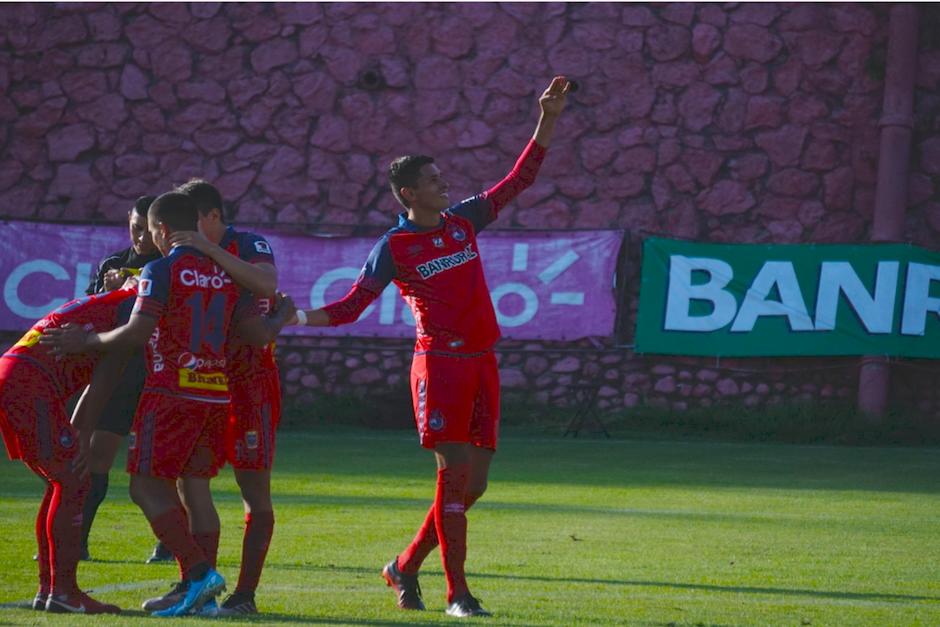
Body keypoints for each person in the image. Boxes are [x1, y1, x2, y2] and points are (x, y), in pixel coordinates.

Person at [289, 76, 570, 617]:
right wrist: (295, 316)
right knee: (454, 480)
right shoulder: (393, 246)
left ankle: (404, 565)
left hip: (482, 362)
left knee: (475, 486)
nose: (444, 186)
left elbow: (520, 179)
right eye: (433, 181)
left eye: (443, 178)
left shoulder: (463, 222)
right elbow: (350, 307)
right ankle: (457, 594)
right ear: (408, 194)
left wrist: (549, 118)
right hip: (439, 366)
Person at [41, 192, 295, 617]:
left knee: (144, 485)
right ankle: (202, 595)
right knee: (195, 487)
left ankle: (198, 574)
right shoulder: (228, 272)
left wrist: (86, 340)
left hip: (171, 392)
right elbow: (252, 326)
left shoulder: (161, 269)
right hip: (216, 392)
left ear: (162, 231)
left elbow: (139, 332)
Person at [141, 179, 280, 616]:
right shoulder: (182, 262)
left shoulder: (246, 244)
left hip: (250, 385)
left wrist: (210, 250)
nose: (184, 234)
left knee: (253, 490)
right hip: (207, 384)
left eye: (194, 225)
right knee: (190, 482)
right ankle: (196, 586)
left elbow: (267, 286)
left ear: (214, 218)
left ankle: (245, 594)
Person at [0, 286, 138, 614]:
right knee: (74, 481)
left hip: (17, 376)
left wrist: (78, 430)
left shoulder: (116, 300)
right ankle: (63, 592)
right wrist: (83, 432)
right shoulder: (136, 306)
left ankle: (51, 590)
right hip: (30, 383)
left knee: (63, 481)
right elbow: (105, 378)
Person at [80, 195, 173, 564]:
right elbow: (88, 315)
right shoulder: (113, 264)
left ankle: (170, 543)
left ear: (158, 228)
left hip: (159, 374)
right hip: (116, 374)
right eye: (134, 229)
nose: (140, 238)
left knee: (158, 467)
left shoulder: (170, 267)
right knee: (94, 455)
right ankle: (77, 539)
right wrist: (106, 294)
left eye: (145, 230)